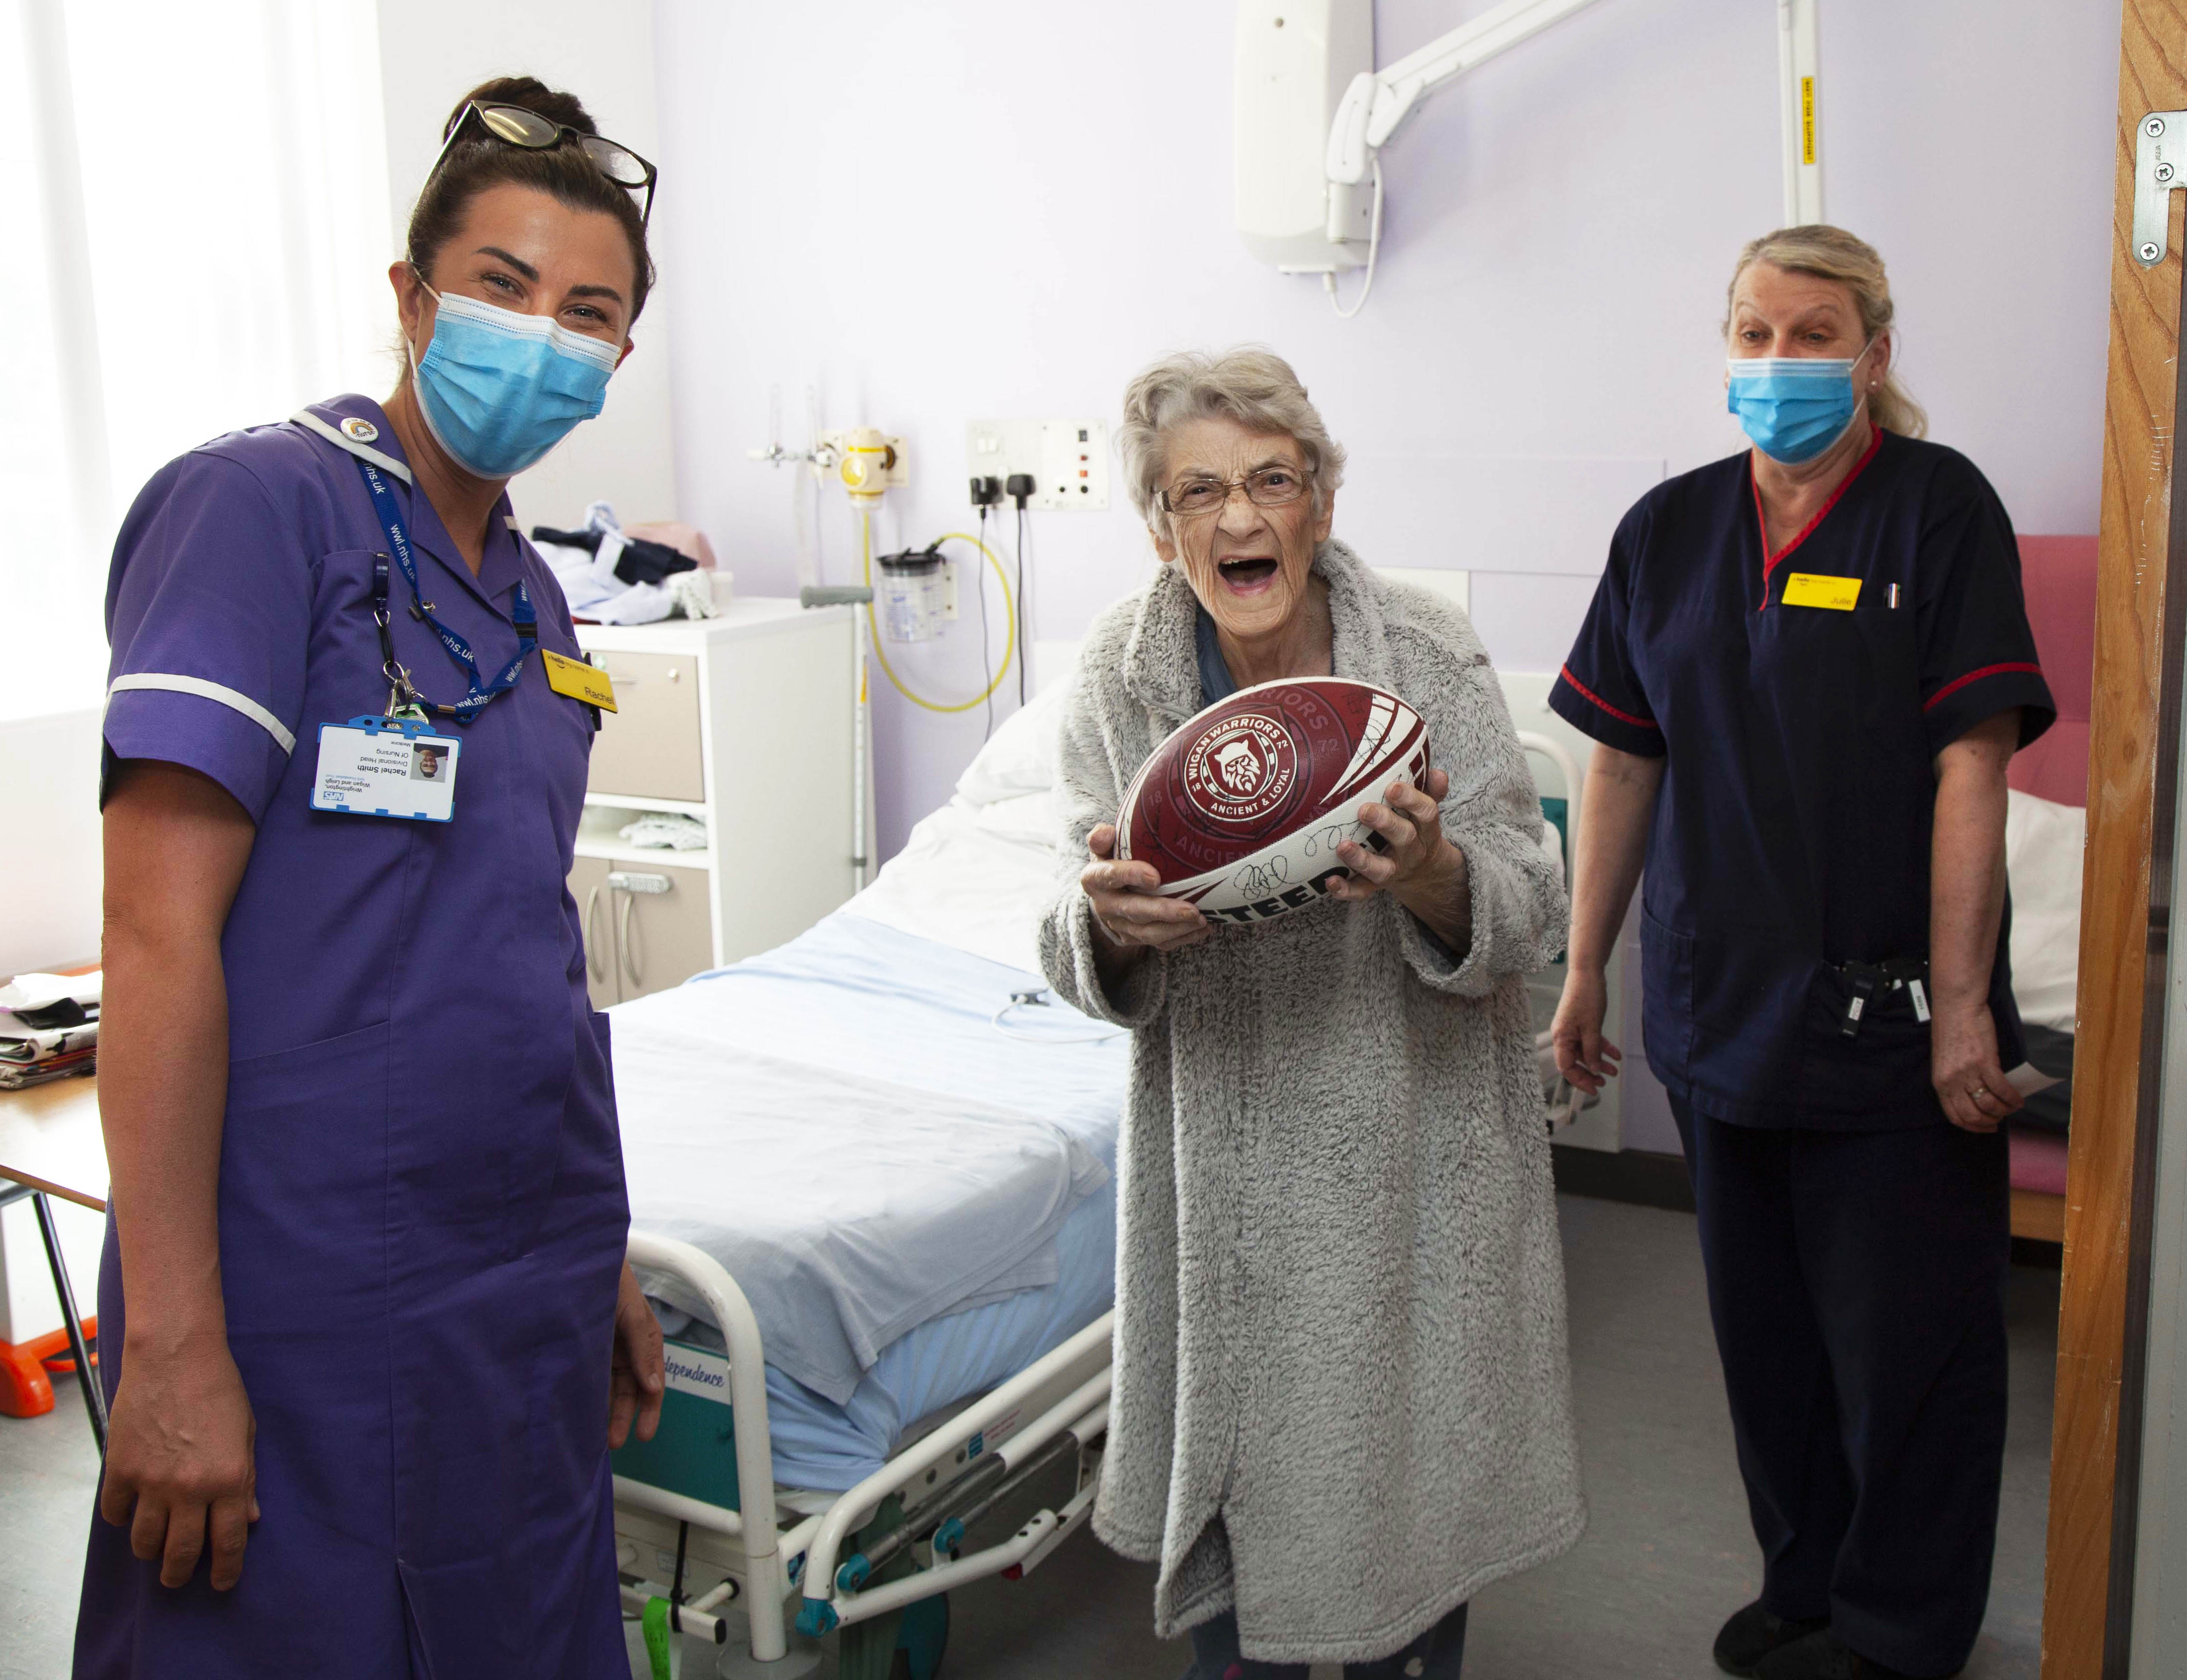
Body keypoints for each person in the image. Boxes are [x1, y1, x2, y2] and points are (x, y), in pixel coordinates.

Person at [79, 77, 667, 1677]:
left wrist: (590, 1244)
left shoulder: (541, 608)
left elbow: (520, 938)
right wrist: (174, 1342)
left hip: (517, 1280)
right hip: (297, 1284)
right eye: (503, 287)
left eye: (590, 313)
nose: (545, 333)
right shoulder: (262, 510)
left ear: (617, 361)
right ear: (410, 298)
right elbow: (152, 936)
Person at [1548, 226, 2055, 1680]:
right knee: (1763, 1340)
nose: (1779, 363)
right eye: (1755, 335)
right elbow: (1623, 764)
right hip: (1717, 1007)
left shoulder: (1936, 510)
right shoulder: (1667, 528)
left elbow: (1974, 761)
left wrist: (1963, 1006)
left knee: (1907, 1353)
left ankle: (1898, 1630)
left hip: (1889, 1012)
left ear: (1874, 355)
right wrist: (1589, 970)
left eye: (1813, 333)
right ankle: (1806, 1582)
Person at [1041, 348, 1583, 1678]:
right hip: (1222, 1177)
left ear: (1321, 504)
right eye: (1199, 492)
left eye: (1271, 481)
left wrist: (1436, 873)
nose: (1238, 517)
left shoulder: (1427, 654)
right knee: (1242, 1568)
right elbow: (1070, 914)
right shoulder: (1120, 676)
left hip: (1413, 1166)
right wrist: (1105, 924)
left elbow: (1531, 906)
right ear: (1157, 527)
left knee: (1412, 1516)